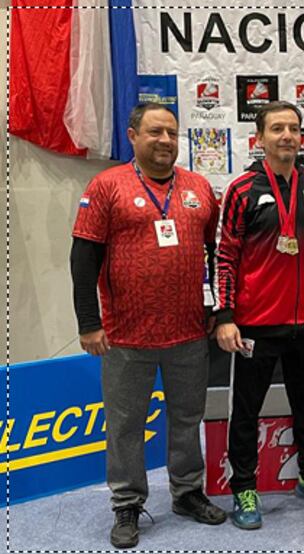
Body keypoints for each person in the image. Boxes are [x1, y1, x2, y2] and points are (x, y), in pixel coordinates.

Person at [71, 103, 226, 549]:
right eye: (155, 131)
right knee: (125, 425)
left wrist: (218, 308)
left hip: (188, 332)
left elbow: (218, 255)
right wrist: (89, 322)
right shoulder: (106, 186)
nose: (165, 140)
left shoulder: (198, 188)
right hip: (125, 335)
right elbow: (83, 259)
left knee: (186, 418)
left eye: (172, 133)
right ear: (132, 135)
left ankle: (187, 493)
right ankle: (126, 502)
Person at [214, 100, 304, 529]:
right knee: (247, 411)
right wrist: (226, 315)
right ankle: (244, 488)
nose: (287, 135)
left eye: (293, 128)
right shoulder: (242, 190)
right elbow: (226, 255)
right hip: (255, 323)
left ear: (302, 138)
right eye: (277, 128)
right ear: (259, 138)